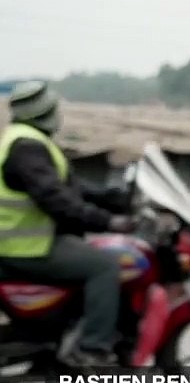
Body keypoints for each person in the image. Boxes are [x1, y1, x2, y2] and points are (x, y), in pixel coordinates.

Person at [0, 81, 136, 368]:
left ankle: (76, 329)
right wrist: (108, 221)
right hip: (25, 247)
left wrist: (118, 199)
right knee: (105, 266)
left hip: (31, 242)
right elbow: (57, 200)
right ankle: (91, 348)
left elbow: (71, 187)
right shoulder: (27, 147)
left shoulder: (26, 140)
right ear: (45, 112)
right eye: (54, 108)